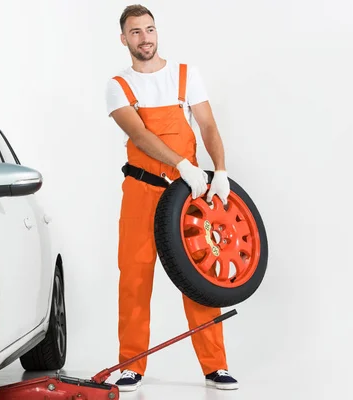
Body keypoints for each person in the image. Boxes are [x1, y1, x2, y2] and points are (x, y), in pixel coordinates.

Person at [105, 4, 238, 392]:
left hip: (188, 195)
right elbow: (140, 135)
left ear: (156, 31)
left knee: (198, 277)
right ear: (123, 38)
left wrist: (221, 169)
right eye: (136, 32)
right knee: (134, 275)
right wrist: (181, 162)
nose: (145, 38)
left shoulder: (185, 75)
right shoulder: (118, 84)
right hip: (142, 190)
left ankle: (216, 366)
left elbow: (208, 124)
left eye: (149, 30)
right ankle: (130, 365)